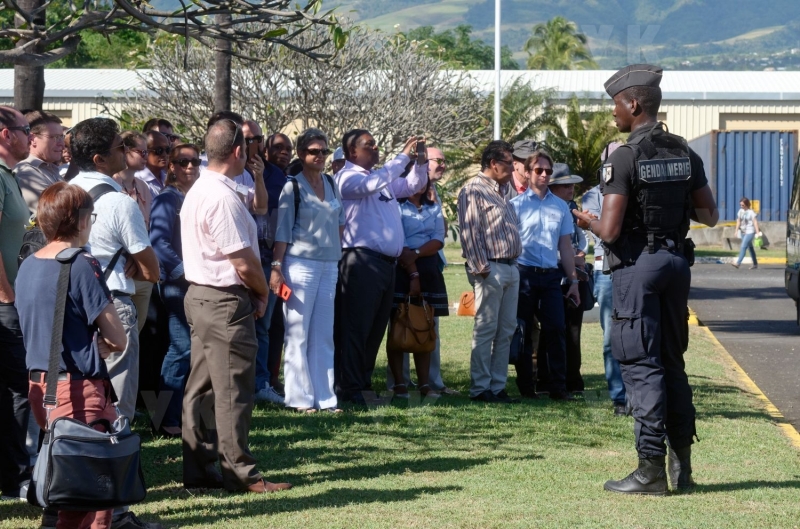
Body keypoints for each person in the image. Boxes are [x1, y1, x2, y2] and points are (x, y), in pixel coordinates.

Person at [574, 64, 719, 495]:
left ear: (633, 104)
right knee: (673, 363)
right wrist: (669, 212)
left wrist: (588, 219)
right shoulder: (685, 152)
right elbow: (708, 214)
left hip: (638, 268)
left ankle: (650, 469)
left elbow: (611, 232)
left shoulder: (623, 155)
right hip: (676, 264)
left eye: (616, 105)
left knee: (640, 365)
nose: (613, 113)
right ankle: (683, 467)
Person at [180, 117, 291, 493]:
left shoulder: (203, 187)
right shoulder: (221, 196)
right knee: (233, 390)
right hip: (224, 300)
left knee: (204, 388)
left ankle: (199, 469)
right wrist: (262, 292)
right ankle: (240, 472)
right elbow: (243, 260)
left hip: (202, 295)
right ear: (239, 151)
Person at [17, 182, 128, 529]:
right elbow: (117, 336)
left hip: (42, 387)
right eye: (90, 216)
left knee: (65, 487)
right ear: (80, 220)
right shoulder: (81, 264)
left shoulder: (28, 265)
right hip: (79, 390)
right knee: (92, 497)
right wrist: (105, 343)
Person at [69, 118, 162, 529]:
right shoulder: (120, 201)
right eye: (117, 149)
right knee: (116, 407)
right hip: (111, 305)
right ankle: (116, 511)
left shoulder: (62, 192)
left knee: (77, 406)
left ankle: (72, 499)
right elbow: (151, 268)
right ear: (98, 157)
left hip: (68, 310)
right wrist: (133, 264)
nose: (124, 155)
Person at [334, 130, 428, 405]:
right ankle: (349, 389)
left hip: (384, 266)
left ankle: (361, 385)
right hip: (361, 262)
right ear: (352, 152)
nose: (375, 149)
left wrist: (419, 159)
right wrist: (401, 157)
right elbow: (369, 185)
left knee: (374, 329)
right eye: (369, 145)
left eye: (376, 144)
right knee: (356, 328)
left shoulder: (380, 180)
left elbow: (412, 185)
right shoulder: (347, 178)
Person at [269, 128, 344, 413]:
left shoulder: (332, 183)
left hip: (329, 265)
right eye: (314, 151)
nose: (320, 156)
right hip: (300, 265)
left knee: (324, 333)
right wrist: (277, 268)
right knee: (298, 333)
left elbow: (340, 222)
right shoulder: (293, 187)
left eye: (323, 151)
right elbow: (282, 232)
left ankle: (325, 398)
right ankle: (299, 399)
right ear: (301, 154)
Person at [387, 145, 460, 395]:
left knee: (427, 325)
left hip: (427, 266)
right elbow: (397, 237)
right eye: (437, 160)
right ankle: (399, 382)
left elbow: (439, 237)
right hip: (400, 267)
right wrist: (411, 267)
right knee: (399, 323)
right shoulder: (393, 199)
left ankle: (428, 383)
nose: (442, 165)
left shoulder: (433, 198)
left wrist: (417, 255)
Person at [510, 153, 580, 402]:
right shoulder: (515, 206)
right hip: (523, 274)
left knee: (556, 330)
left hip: (551, 277)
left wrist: (573, 283)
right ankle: (526, 387)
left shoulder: (560, 207)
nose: (544, 175)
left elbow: (565, 248)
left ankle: (557, 387)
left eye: (548, 172)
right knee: (524, 330)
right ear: (527, 173)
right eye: (539, 170)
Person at [458, 140, 521, 404]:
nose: (513, 167)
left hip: (510, 266)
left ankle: (497, 387)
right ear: (493, 164)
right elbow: (470, 232)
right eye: (509, 163)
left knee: (506, 329)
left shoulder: (504, 191)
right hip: (491, 268)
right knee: (486, 329)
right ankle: (481, 388)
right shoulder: (473, 190)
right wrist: (481, 269)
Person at [149, 143, 200, 438]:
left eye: (194, 161)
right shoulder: (168, 199)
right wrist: (187, 273)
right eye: (183, 162)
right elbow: (159, 244)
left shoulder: (193, 196)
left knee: (189, 350)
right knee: (181, 349)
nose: (190, 167)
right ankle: (163, 420)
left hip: (195, 282)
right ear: (171, 167)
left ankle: (177, 415)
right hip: (177, 285)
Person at [0, 106, 33, 501]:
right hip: (4, 304)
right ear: (6, 135)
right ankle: (14, 477)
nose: (31, 136)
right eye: (26, 130)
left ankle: (12, 474)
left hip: (11, 300)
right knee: (17, 389)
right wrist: (6, 294)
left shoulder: (9, 176)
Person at [582, 142, 628, 416]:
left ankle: (638, 393)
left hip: (634, 268)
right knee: (612, 337)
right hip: (608, 269)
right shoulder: (593, 196)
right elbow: (606, 232)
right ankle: (619, 397)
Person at [252, 132, 293, 404]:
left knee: (264, 326)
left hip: (266, 261)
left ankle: (262, 382)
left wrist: (277, 265)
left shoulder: (279, 179)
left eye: (287, 148)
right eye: (277, 147)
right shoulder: (226, 173)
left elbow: (280, 227)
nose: (283, 152)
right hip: (234, 260)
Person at [547, 166, 588, 394]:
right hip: (553, 277)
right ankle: (549, 379)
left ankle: (573, 380)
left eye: (572, 185)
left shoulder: (572, 208)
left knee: (574, 331)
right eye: (565, 185)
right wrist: (569, 258)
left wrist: (580, 254)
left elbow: (581, 240)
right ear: (552, 187)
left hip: (575, 278)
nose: (571, 189)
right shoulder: (547, 207)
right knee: (553, 331)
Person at [15, 110, 64, 212]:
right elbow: (55, 215)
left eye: (61, 137)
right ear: (32, 139)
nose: (62, 144)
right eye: (55, 137)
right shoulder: (27, 173)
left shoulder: (49, 168)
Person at [135, 131, 171, 201]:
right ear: (145, 151)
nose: (164, 154)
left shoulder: (168, 178)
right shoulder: (138, 180)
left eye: (167, 150)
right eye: (159, 150)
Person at [732, 197, 760, 269]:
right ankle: (755, 264)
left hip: (750, 232)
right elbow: (738, 221)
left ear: (747, 204)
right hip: (743, 232)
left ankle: (738, 263)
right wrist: (736, 231)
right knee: (750, 248)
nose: (741, 206)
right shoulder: (740, 211)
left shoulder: (751, 212)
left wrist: (757, 232)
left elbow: (755, 222)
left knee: (743, 246)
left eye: (743, 205)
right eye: (740, 205)